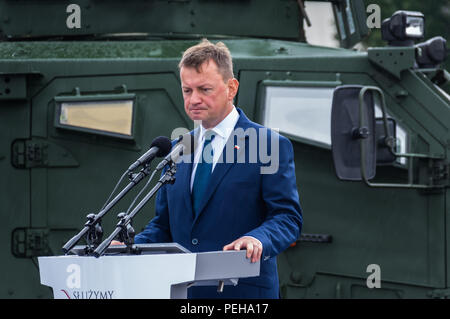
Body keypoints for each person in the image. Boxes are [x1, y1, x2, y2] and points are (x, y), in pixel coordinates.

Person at [134, 39, 303, 298]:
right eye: (187, 90)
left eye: (205, 89)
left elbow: (287, 218)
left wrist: (258, 240)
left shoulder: (268, 144)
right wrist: (128, 248)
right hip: (183, 293)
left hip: (241, 294)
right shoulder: (179, 148)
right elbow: (164, 225)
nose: (194, 99)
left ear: (231, 87)